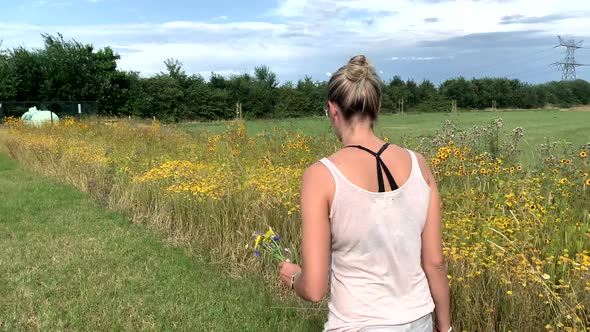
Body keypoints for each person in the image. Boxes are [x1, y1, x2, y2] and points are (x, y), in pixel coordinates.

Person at [278, 55, 451, 332]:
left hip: (358, 324)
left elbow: (314, 289)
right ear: (377, 107)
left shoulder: (320, 177)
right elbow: (435, 263)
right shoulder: (420, 165)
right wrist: (445, 327)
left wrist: (294, 276)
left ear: (333, 110)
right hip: (419, 320)